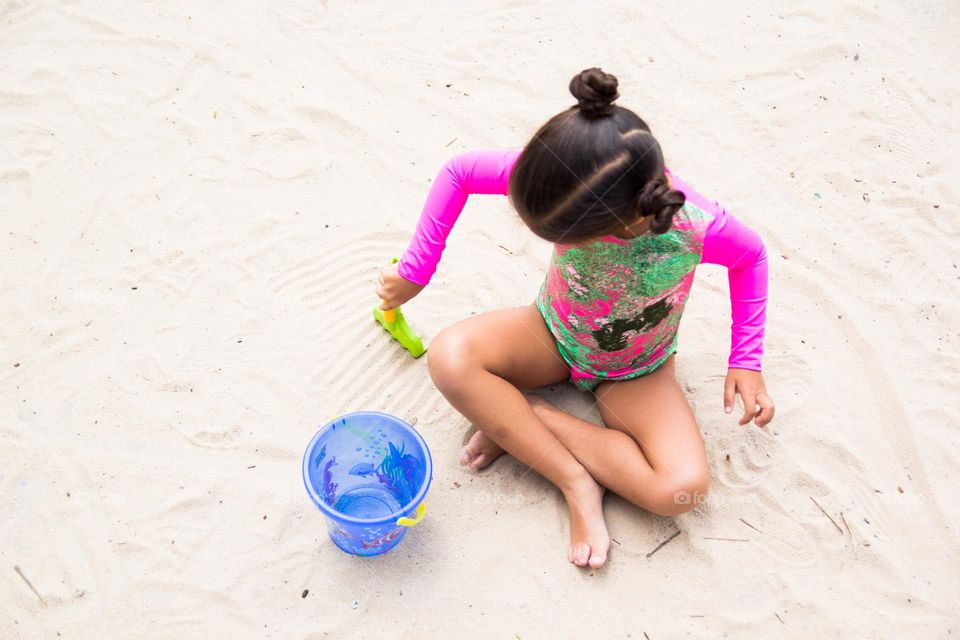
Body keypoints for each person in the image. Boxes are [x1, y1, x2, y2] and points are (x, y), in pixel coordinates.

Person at [376, 68, 775, 569]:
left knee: (681, 491)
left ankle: (528, 420)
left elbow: (752, 257)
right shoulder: (570, 171)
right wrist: (416, 271)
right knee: (450, 357)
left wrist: (747, 359)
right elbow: (460, 171)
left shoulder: (697, 227)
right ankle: (572, 479)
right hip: (550, 333)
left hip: (637, 368)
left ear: (624, 222)